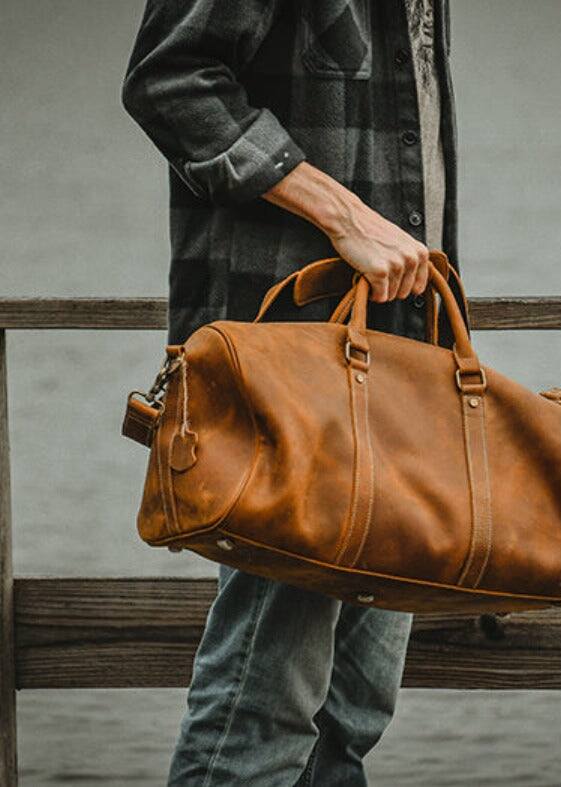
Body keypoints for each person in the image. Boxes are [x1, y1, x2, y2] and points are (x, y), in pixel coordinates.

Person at [121, 1, 460, 783]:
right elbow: (168, 78)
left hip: (405, 377)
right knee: (260, 719)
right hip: (289, 379)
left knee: (348, 721)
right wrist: (343, 214)